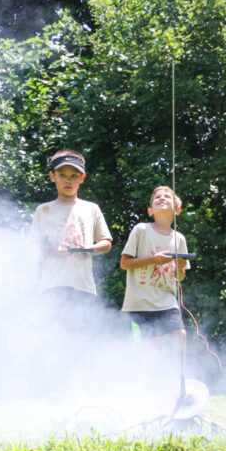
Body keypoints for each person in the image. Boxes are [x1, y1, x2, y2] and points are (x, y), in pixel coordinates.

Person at [28, 149, 113, 392]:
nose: (69, 180)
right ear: (52, 176)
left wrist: (89, 248)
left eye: (74, 176)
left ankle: (81, 390)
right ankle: (56, 390)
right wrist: (51, 249)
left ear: (83, 178)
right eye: (63, 174)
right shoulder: (43, 210)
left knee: (82, 340)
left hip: (83, 285)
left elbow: (106, 242)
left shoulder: (91, 208)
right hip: (52, 285)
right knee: (56, 339)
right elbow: (33, 247)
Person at [120, 186, 190, 391]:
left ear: (177, 209)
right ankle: (146, 387)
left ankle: (179, 383)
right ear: (150, 210)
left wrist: (180, 267)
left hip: (166, 300)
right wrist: (154, 259)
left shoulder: (180, 239)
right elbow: (125, 263)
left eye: (167, 196)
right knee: (152, 344)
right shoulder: (141, 230)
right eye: (157, 197)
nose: (161, 198)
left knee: (181, 337)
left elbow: (181, 276)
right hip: (140, 301)